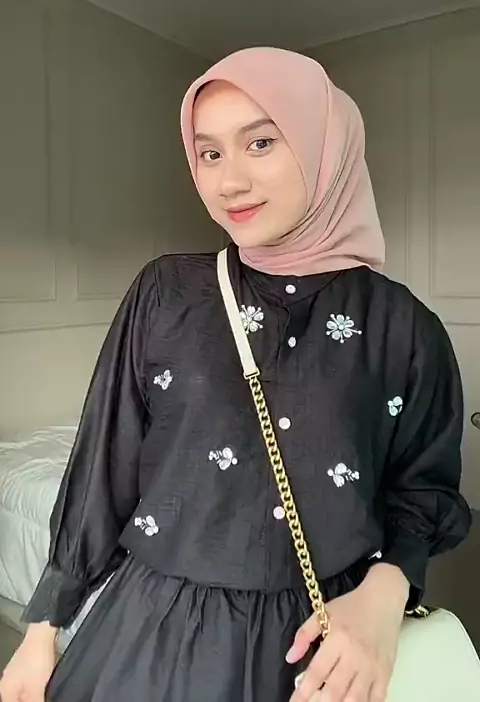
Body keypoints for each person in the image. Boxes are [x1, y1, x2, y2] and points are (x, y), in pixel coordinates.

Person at [0, 47, 471, 702]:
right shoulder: (166, 292)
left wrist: (385, 597)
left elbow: (423, 492)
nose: (229, 181)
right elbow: (102, 467)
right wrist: (42, 631)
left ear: (325, 146)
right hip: (152, 629)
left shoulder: (406, 328)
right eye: (210, 153)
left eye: (260, 142)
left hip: (321, 639)